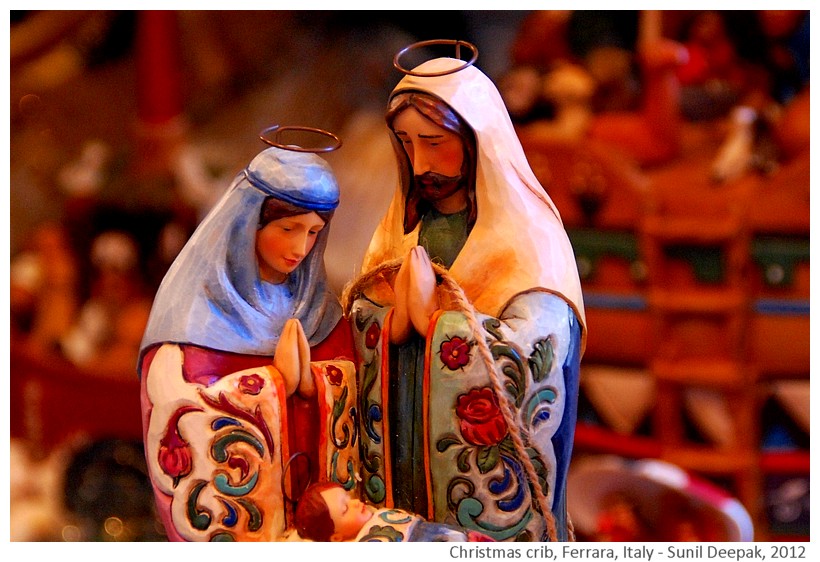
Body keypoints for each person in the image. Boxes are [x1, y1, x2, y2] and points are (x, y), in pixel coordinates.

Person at [344, 44, 587, 542]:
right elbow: (364, 307)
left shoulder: (528, 235)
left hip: (476, 490)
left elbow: (540, 343)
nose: (420, 162)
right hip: (400, 455)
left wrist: (440, 323)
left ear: (477, 140)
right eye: (407, 145)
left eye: (435, 143)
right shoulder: (400, 229)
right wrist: (387, 324)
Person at [138, 139, 357, 541]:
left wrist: (312, 383)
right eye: (288, 229)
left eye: (313, 233)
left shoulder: (317, 308)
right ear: (248, 223)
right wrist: (276, 385)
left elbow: (350, 380)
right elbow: (181, 402)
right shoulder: (194, 314)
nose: (299, 248)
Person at [293, 481, 493, 542]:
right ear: (336, 538)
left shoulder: (379, 514)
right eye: (345, 509)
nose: (355, 503)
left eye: (349, 497)